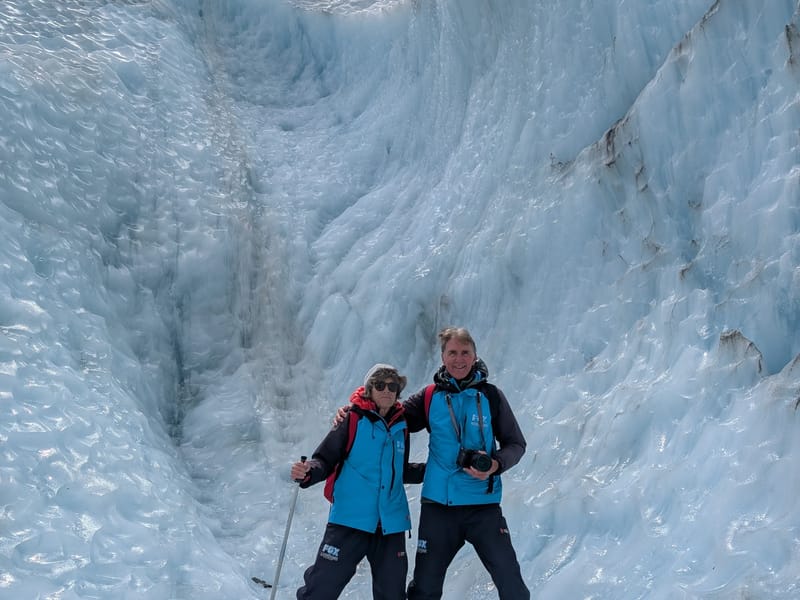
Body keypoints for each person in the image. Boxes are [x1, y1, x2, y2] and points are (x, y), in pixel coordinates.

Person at [335, 327, 529, 599]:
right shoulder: (429, 397)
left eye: (465, 352)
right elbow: (385, 414)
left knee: (512, 583)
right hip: (439, 509)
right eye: (452, 353)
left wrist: (496, 464)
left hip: (483, 508)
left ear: (474, 355)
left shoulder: (491, 396)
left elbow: (516, 444)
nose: (459, 359)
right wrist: (353, 410)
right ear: (443, 357)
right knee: (425, 590)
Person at [291, 364, 425, 600]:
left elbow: (399, 471)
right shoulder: (352, 419)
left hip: (390, 524)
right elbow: (325, 459)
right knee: (321, 589)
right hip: (350, 519)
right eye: (380, 385)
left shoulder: (401, 426)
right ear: (369, 389)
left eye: (392, 386)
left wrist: (436, 471)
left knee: (392, 595)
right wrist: (307, 472)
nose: (387, 390)